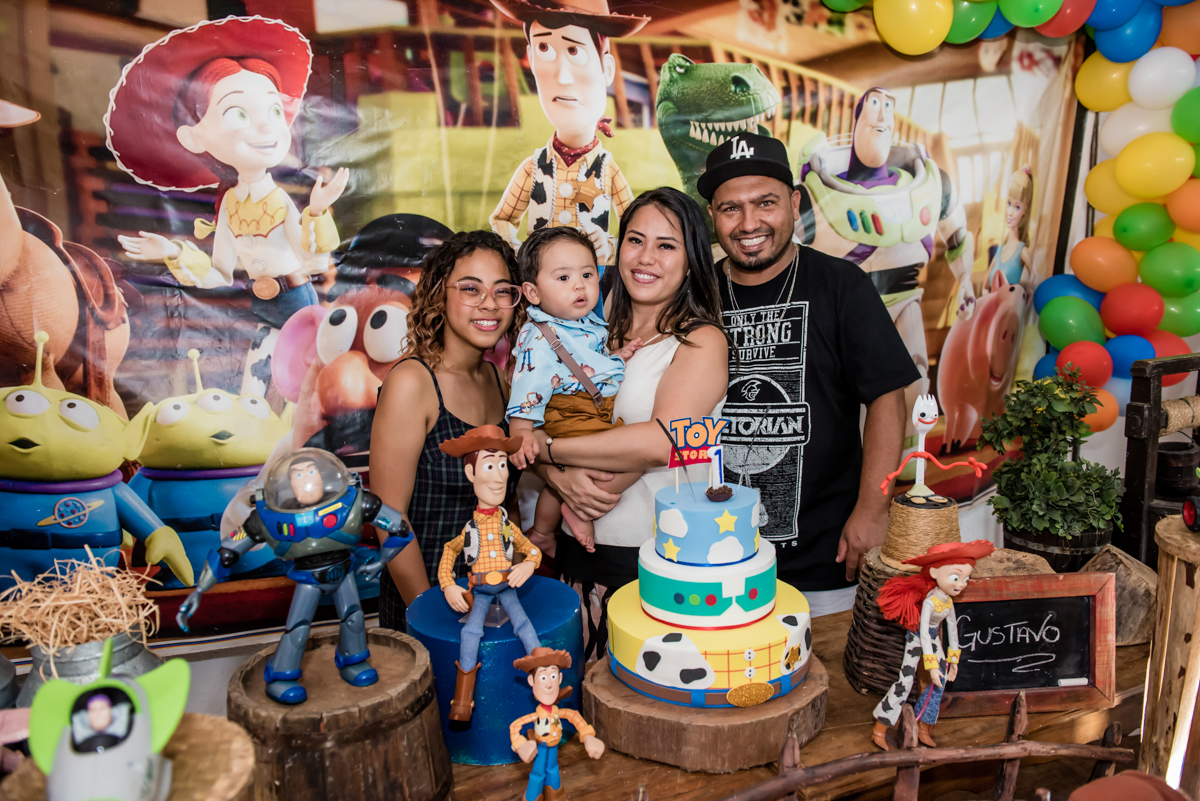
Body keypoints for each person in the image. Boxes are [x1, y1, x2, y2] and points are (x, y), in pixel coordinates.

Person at [700, 131, 918, 616]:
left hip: (824, 561)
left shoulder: (841, 285)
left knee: (829, 688)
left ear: (795, 203)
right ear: (712, 216)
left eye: (765, 203)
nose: (749, 222)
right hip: (712, 562)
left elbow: (887, 397)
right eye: (730, 208)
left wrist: (871, 511)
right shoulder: (696, 294)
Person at [525, 186, 730, 659]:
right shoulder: (592, 335)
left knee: (648, 715)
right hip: (583, 556)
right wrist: (556, 473)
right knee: (583, 714)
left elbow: (664, 441)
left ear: (691, 260)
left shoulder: (699, 341)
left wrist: (549, 450)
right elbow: (545, 419)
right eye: (636, 240)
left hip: (660, 563)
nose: (647, 257)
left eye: (667, 245)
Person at [105, 17, 349, 397]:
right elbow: (219, 272)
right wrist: (171, 251)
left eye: (273, 112)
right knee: (257, 378)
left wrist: (315, 212)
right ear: (192, 136)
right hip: (260, 304)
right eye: (239, 114)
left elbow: (315, 259)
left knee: (308, 380)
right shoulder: (231, 203)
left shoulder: (279, 201)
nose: (267, 129)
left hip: (297, 300)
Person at [793, 87, 976, 451]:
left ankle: (908, 452)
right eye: (874, 105)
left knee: (915, 378)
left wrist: (966, 280)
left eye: (888, 108)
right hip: (841, 310)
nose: (881, 116)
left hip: (904, 296)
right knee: (841, 387)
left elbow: (956, 234)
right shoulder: (813, 194)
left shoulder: (930, 183)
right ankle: (853, 459)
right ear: (858, 117)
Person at [370, 231, 525, 632]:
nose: (489, 303)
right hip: (423, 605)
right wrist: (431, 614)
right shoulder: (413, 381)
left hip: (490, 600)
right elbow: (388, 518)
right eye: (471, 289)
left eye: (502, 290)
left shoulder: (499, 379)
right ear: (439, 294)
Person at [508, 227, 642, 552]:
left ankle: (544, 530)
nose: (580, 285)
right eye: (563, 278)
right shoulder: (538, 335)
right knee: (635, 459)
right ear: (533, 292)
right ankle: (578, 508)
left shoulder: (582, 323)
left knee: (574, 471)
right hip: (569, 411)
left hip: (586, 406)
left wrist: (614, 359)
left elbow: (582, 363)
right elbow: (527, 380)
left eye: (587, 274)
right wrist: (522, 430)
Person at [488, 0, 648, 264]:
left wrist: (608, 248)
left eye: (574, 51)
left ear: (606, 69)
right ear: (531, 59)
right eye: (544, 48)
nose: (562, 76)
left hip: (590, 290)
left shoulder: (607, 171)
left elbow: (638, 234)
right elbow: (501, 219)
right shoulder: (534, 168)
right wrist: (518, 253)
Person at [437, 425, 543, 722]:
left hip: (507, 587)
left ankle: (545, 686)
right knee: (471, 632)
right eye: (489, 465)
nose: (498, 476)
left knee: (523, 624)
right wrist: (448, 585)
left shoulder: (507, 525)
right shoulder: (470, 529)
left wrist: (527, 564)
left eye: (502, 465)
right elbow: (449, 551)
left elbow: (532, 549)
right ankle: (462, 701)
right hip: (481, 589)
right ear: (471, 474)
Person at [871, 539, 995, 750]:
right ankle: (880, 727)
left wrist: (952, 660)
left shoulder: (947, 601)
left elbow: (952, 629)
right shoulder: (930, 602)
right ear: (935, 573)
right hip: (917, 637)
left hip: (933, 638)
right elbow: (923, 633)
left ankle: (924, 727)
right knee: (905, 682)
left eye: (965, 579)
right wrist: (931, 665)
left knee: (940, 683)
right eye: (956, 577)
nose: (961, 584)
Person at [510, 648, 604, 801]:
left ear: (559, 679)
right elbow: (515, 725)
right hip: (541, 745)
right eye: (543, 678)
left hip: (554, 746)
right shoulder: (537, 714)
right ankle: (533, 797)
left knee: (553, 770)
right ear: (532, 681)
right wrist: (521, 745)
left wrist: (588, 736)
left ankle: (555, 794)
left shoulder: (558, 711)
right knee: (538, 773)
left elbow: (574, 716)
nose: (548, 685)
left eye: (552, 676)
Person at [985, 167, 1036, 293]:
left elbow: (1033, 282)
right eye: (1009, 203)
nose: (1010, 212)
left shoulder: (1022, 252)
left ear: (1024, 210)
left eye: (1017, 207)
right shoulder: (999, 252)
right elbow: (985, 287)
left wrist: (1021, 302)